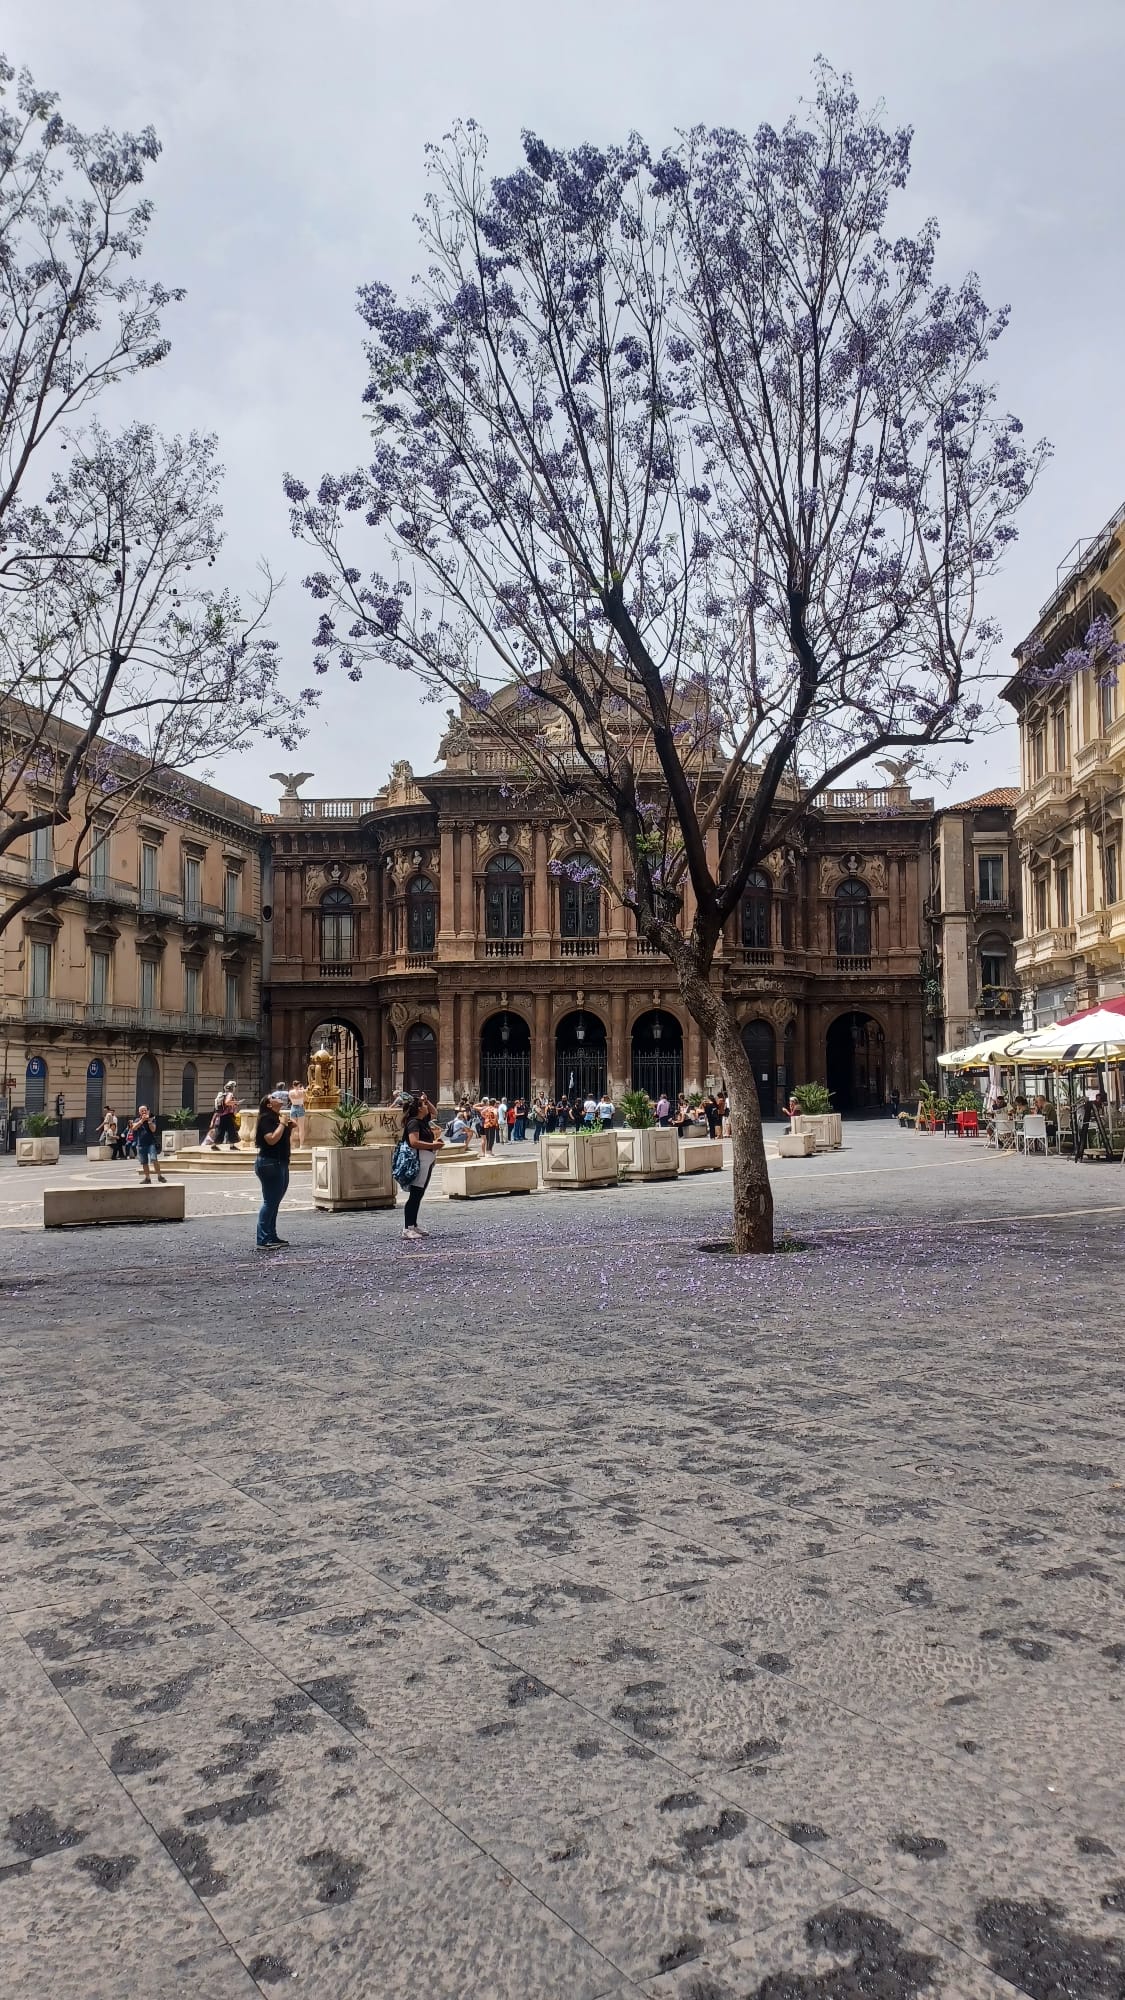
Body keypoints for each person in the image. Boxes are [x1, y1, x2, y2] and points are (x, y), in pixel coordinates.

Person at [254, 1090, 294, 1249]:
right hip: (269, 1163)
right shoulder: (265, 1119)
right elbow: (271, 1140)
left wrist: (289, 1127)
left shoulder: (276, 1118)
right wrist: (283, 1124)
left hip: (280, 1161)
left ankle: (271, 1236)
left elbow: (281, 1139)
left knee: (274, 1201)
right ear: (269, 1105)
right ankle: (263, 1239)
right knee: (270, 1201)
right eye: (274, 1097)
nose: (279, 1098)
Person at [401, 1090, 443, 1240]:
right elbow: (414, 1142)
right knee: (415, 1195)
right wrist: (433, 1145)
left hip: (427, 1161)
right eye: (424, 1105)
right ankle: (407, 1228)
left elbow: (435, 1112)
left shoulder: (422, 1121)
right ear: (419, 1109)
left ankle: (414, 1224)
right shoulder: (413, 1123)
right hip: (419, 1161)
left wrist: (427, 1099)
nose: (426, 1107)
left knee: (419, 1194)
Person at [133, 1105, 165, 1184]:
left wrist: (149, 1121)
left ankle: (159, 1175)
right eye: (142, 1111)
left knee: (154, 1159)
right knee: (144, 1162)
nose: (144, 1112)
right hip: (141, 1144)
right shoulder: (137, 1120)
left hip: (151, 1143)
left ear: (148, 1111)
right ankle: (147, 1178)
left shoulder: (152, 1119)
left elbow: (153, 1129)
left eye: (145, 1110)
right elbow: (134, 1128)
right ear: (139, 1112)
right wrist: (141, 1121)